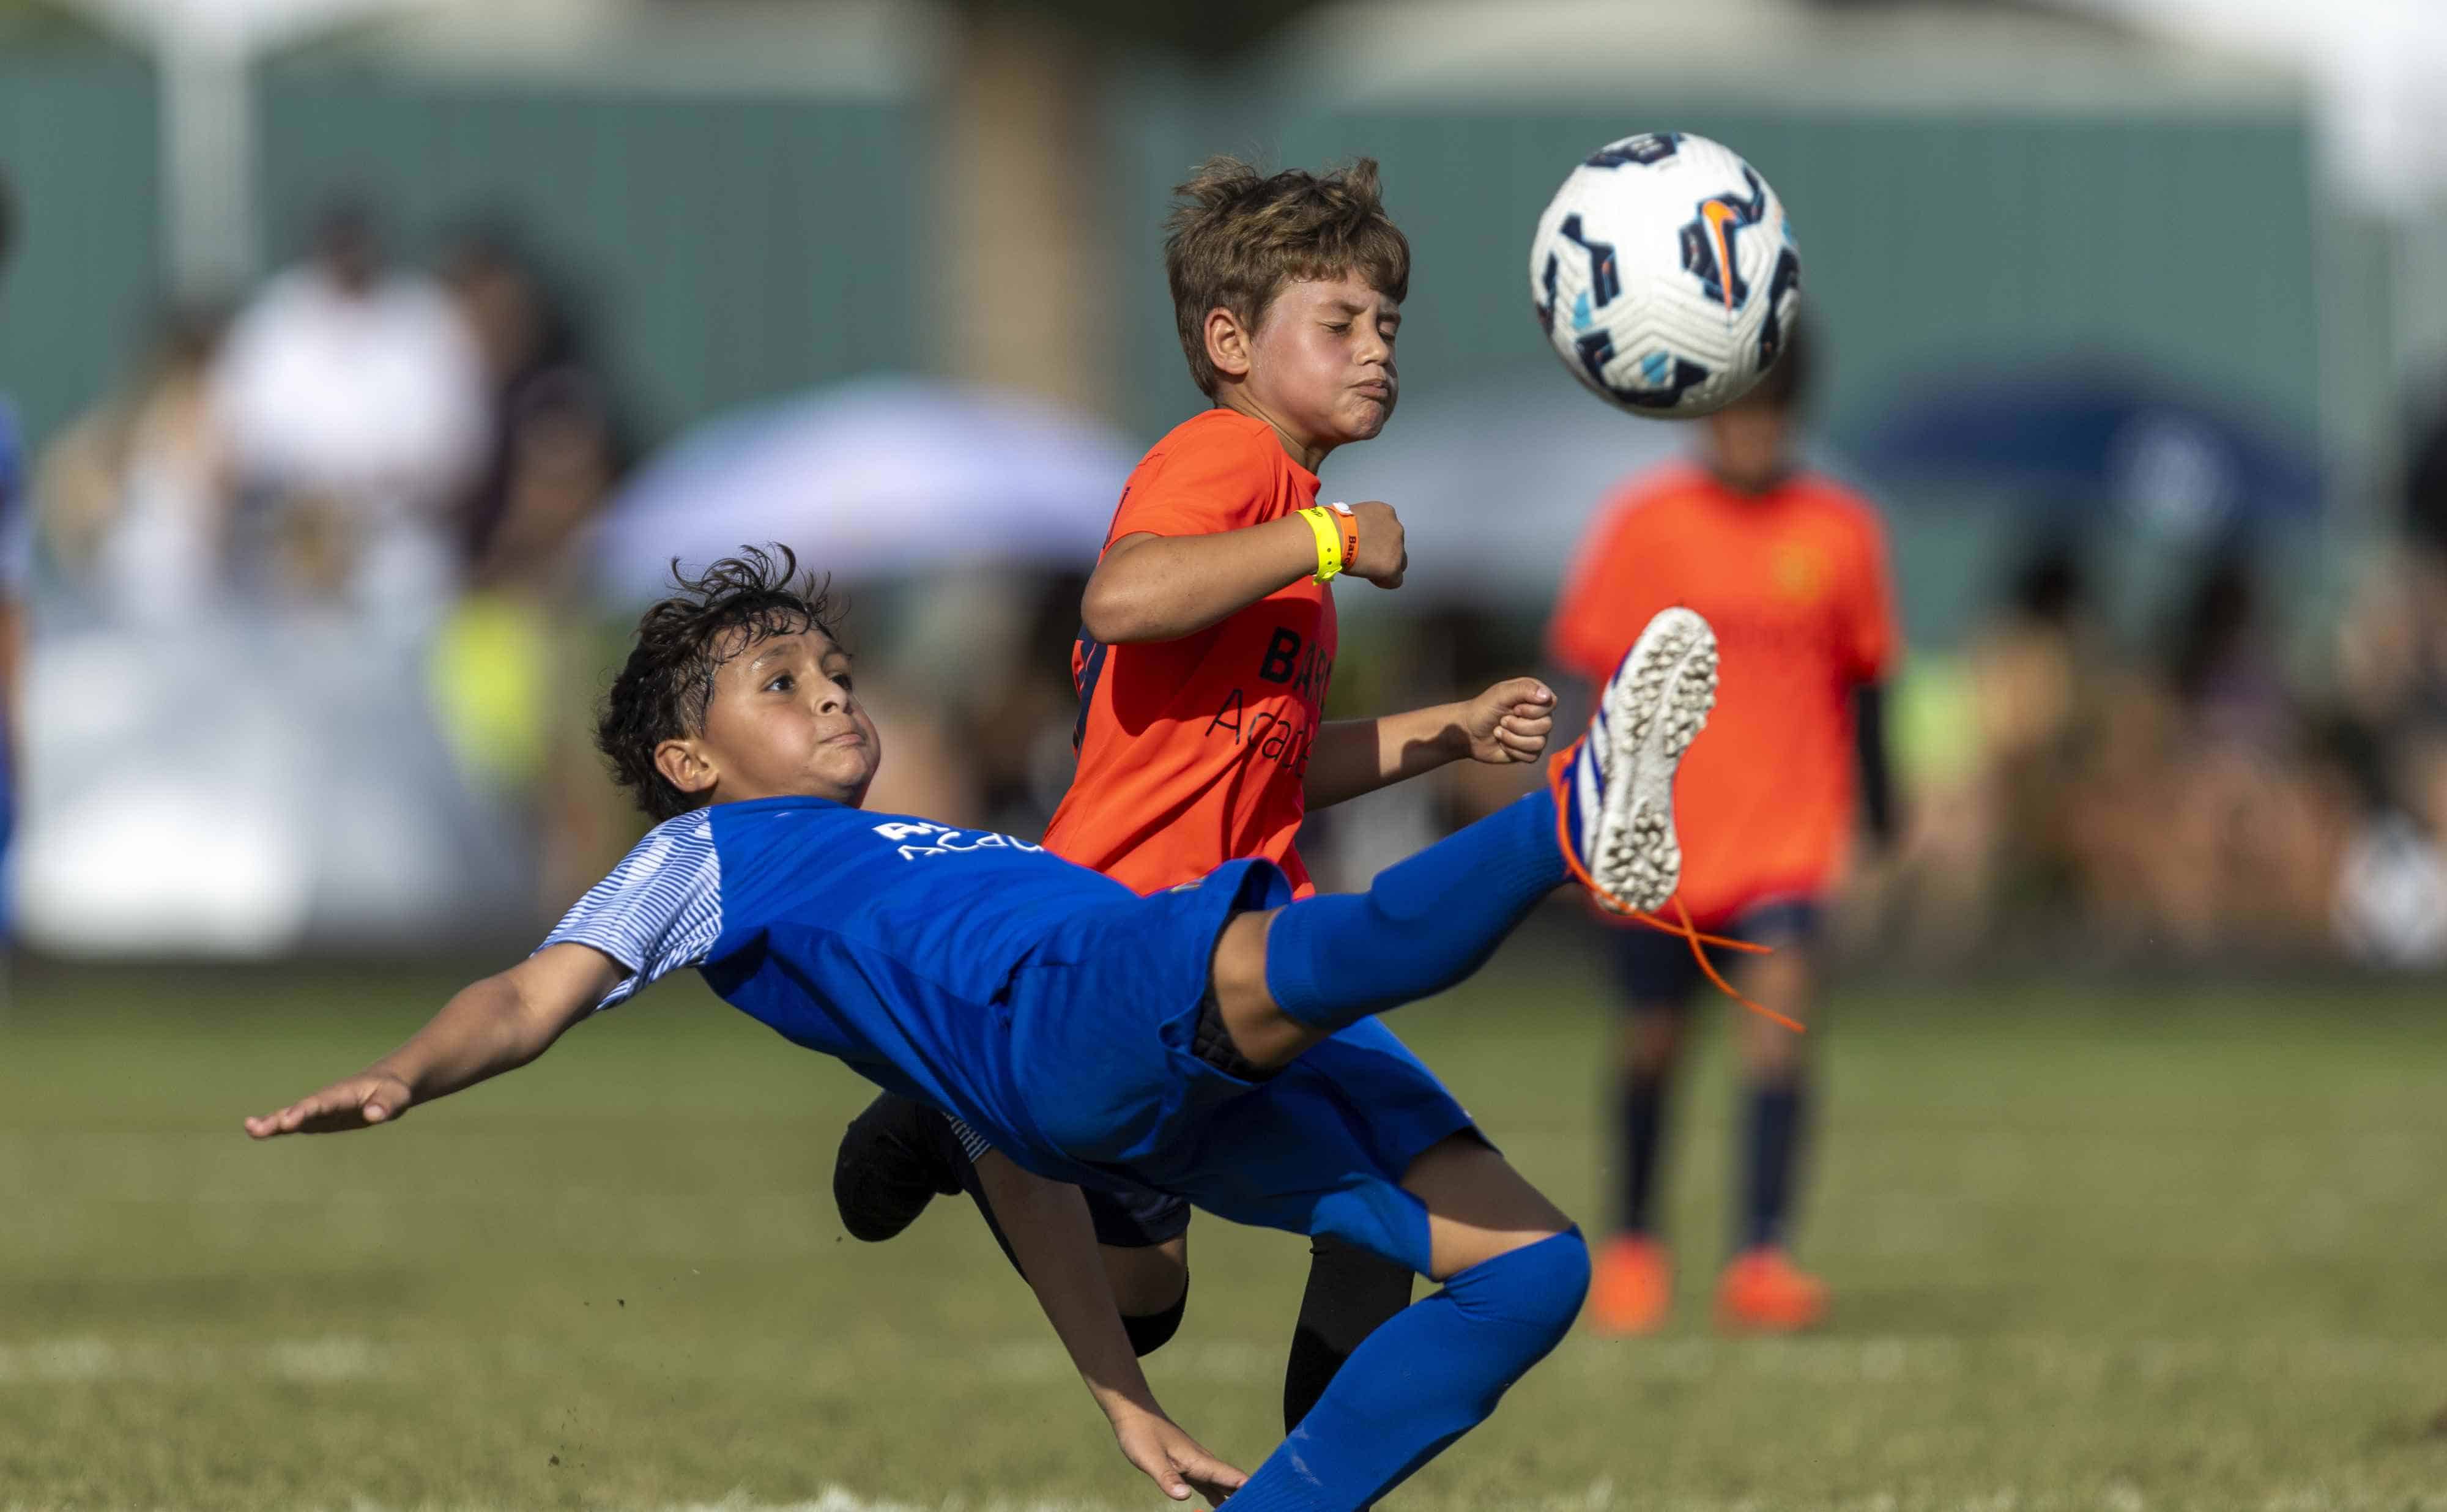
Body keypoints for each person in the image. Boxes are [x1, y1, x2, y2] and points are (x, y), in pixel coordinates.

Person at [245, 546, 1724, 1510]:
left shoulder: (932, 850)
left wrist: (1122, 1403)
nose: (832, 698)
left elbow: (1009, 1147)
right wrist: (402, 1072)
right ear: (689, 759)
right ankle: (1577, 819)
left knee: (1531, 1271)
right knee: (1318, 952)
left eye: (836, 675)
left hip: (1082, 1074)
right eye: (780, 687)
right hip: (1075, 1016)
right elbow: (522, 996)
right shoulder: (707, 857)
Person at [830, 156, 1559, 1432]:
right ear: (1228, 340)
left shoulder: (1278, 519)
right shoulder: (1227, 457)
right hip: (1126, 946)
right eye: (1337, 324)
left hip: (1233, 939)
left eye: (1385, 324)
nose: (1375, 349)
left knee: (1315, 1234)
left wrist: (1443, 731)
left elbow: (1266, 758)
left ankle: (1306, 1476)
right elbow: (1120, 593)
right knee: (1211, 1272)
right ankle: (956, 1121)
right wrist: (1331, 539)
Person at [1546, 324, 1899, 1335]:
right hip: (1656, 839)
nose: (1749, 435)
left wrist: (1882, 823)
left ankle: (1761, 1256)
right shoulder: (1643, 525)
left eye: (1769, 413)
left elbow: (1869, 687)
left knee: (1780, 1037)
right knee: (1651, 1046)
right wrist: (1572, 814)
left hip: (1787, 838)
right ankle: (1633, 1244)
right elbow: (1589, 680)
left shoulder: (1841, 532)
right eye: (1733, 413)